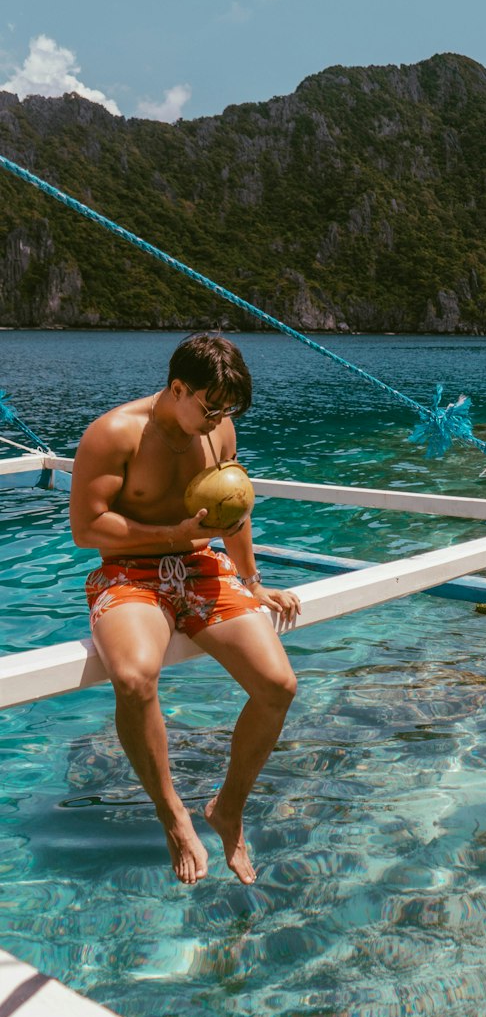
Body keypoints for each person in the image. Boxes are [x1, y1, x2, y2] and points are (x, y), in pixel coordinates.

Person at [69, 333, 300, 886]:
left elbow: (234, 508)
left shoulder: (219, 430)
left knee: (278, 685)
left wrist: (252, 581)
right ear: (178, 388)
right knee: (133, 677)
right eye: (211, 406)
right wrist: (173, 530)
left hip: (201, 570)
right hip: (129, 573)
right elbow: (86, 527)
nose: (219, 419)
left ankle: (227, 808)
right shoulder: (114, 433)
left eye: (228, 410)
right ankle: (172, 814)